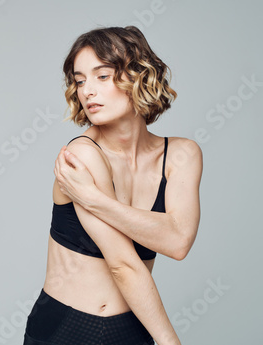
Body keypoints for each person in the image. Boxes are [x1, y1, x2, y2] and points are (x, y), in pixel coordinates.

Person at [22, 26, 203, 345]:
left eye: (102, 76)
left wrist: (96, 201)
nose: (87, 91)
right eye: (80, 81)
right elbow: (123, 265)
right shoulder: (82, 155)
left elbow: (178, 242)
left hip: (134, 326)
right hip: (65, 330)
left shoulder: (182, 155)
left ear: (138, 76)